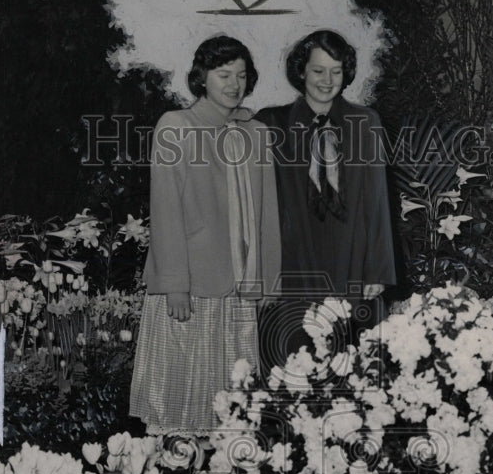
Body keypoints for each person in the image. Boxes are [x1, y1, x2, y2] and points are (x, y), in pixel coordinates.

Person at [129, 36, 280, 439]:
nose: (234, 84)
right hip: (190, 285)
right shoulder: (175, 127)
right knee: (182, 394)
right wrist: (175, 284)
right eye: (223, 74)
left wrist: (267, 278)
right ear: (202, 78)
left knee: (234, 399)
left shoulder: (257, 133)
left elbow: (268, 213)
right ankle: (174, 471)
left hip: (239, 285)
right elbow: (165, 211)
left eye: (241, 75)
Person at [255, 29, 395, 373]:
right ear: (301, 71)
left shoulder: (366, 122)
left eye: (336, 71)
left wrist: (377, 269)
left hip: (349, 252)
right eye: (318, 70)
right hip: (294, 256)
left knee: (347, 358)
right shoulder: (270, 124)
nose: (327, 80)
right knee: (292, 354)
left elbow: (378, 201)